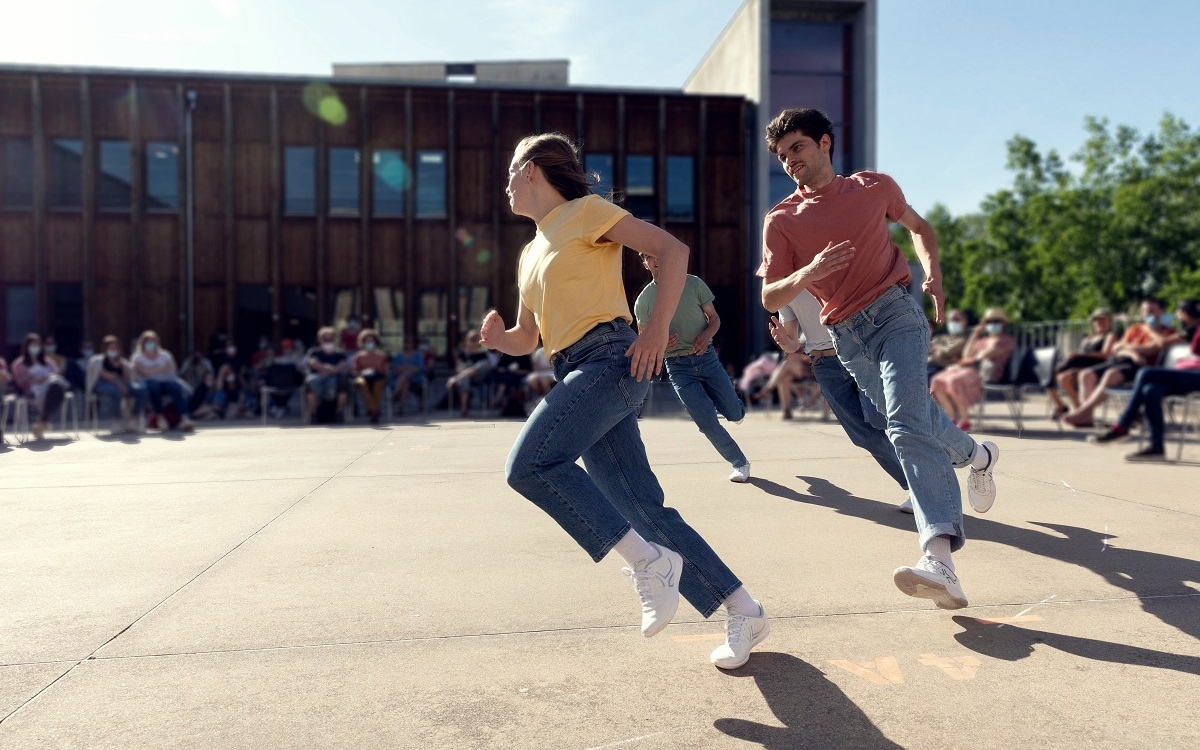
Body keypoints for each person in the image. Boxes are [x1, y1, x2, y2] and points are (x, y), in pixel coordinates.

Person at [481, 132, 768, 669]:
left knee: (530, 466)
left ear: (534, 170)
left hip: (612, 359)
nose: (506, 184)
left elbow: (672, 250)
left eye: (511, 170)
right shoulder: (529, 251)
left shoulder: (588, 212)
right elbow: (529, 335)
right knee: (642, 508)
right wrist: (502, 340)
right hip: (574, 368)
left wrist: (656, 329)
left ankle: (648, 564)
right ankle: (743, 609)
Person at [758, 107, 1000, 610]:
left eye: (797, 148)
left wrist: (932, 273)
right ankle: (979, 456)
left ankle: (940, 559)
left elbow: (920, 227)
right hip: (846, 337)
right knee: (918, 419)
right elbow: (771, 296)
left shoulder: (874, 187)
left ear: (825, 143)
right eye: (782, 156)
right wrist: (809, 272)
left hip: (896, 316)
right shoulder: (781, 220)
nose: (790, 162)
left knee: (905, 426)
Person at [770, 289, 914, 512]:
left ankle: (947, 453)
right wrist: (785, 343)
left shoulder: (830, 264)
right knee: (864, 436)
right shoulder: (786, 290)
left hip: (858, 353)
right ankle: (916, 488)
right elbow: (792, 343)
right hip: (823, 365)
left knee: (881, 418)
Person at [634, 255, 750, 482]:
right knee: (706, 422)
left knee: (735, 414)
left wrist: (706, 334)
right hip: (678, 368)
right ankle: (740, 463)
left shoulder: (693, 283)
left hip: (706, 358)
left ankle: (736, 410)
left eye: (658, 254)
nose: (655, 259)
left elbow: (714, 318)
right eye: (648, 256)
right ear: (645, 264)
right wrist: (660, 342)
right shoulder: (644, 300)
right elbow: (643, 338)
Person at [1088, 299, 1200, 461]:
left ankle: (1122, 425)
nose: (1176, 316)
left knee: (1146, 373)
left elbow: (1168, 344)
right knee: (1151, 390)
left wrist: (1149, 329)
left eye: (1179, 314)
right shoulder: (1190, 329)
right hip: (1191, 374)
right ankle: (1156, 448)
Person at [1063, 297, 1181, 428]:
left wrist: (1145, 333)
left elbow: (1151, 350)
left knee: (1111, 374)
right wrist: (1133, 352)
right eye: (1144, 311)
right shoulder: (1134, 329)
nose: (1147, 314)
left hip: (1144, 368)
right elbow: (1117, 348)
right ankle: (1087, 417)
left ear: (1161, 311)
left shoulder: (1168, 332)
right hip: (1124, 360)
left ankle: (1083, 412)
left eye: (1151, 310)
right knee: (1086, 374)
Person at [928, 308, 1016, 431]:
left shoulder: (1006, 340)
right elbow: (967, 355)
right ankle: (952, 417)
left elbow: (985, 355)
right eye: (989, 322)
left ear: (1003, 323)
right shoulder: (982, 340)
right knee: (937, 380)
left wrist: (965, 362)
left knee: (953, 380)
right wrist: (974, 335)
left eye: (996, 321)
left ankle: (965, 420)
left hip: (989, 373)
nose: (993, 324)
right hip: (973, 370)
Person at [1049, 308, 1116, 417]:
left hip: (1097, 367)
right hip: (1081, 366)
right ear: (1093, 323)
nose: (1100, 322)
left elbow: (1106, 354)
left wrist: (1079, 354)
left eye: (1104, 319)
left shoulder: (1110, 336)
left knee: (1060, 374)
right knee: (1060, 377)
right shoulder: (1088, 339)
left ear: (1109, 322)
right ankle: (1069, 406)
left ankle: (1076, 409)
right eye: (1097, 320)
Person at [131, 330, 196, 432]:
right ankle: (160, 417)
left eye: (153, 341)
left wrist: (151, 371)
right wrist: (160, 369)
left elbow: (172, 370)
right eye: (148, 341)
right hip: (149, 384)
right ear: (143, 343)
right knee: (153, 388)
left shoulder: (165, 355)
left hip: (167, 382)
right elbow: (142, 373)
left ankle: (185, 418)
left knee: (176, 388)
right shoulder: (137, 357)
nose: (151, 343)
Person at [11, 333, 71, 441]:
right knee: (55, 387)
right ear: (26, 346)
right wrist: (43, 380)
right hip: (32, 390)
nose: (35, 347)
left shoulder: (47, 361)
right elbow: (22, 384)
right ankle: (44, 421)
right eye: (33, 345)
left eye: (37, 345)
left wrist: (49, 378)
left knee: (56, 386)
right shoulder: (18, 364)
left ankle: (42, 420)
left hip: (52, 388)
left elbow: (57, 373)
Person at [90, 335, 149, 435]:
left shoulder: (123, 362)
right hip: (103, 385)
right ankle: (115, 421)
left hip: (123, 384)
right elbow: (107, 376)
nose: (114, 350)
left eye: (116, 348)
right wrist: (120, 385)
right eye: (111, 348)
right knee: (115, 392)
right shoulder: (98, 361)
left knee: (142, 390)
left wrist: (124, 366)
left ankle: (133, 418)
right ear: (105, 349)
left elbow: (126, 379)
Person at [305, 327, 350, 423]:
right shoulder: (314, 351)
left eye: (330, 339)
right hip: (317, 377)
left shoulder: (340, 353)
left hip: (335, 378)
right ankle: (314, 415)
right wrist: (327, 368)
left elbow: (341, 366)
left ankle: (337, 413)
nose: (328, 341)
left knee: (339, 383)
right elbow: (313, 363)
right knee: (310, 381)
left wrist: (326, 370)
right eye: (325, 339)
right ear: (320, 339)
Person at [445, 329, 492, 418]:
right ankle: (464, 410)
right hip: (465, 378)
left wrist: (459, 376)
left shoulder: (483, 355)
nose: (474, 343)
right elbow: (459, 368)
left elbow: (487, 367)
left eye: (476, 340)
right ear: (467, 341)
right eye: (472, 340)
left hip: (479, 378)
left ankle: (456, 379)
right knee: (465, 379)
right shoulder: (462, 355)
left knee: (481, 365)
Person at [352, 328, 389, 424]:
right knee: (362, 384)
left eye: (371, 340)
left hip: (378, 378)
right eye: (367, 341)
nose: (369, 342)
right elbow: (355, 370)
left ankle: (374, 411)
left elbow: (386, 371)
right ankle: (373, 410)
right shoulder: (358, 356)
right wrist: (362, 373)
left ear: (375, 341)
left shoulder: (381, 355)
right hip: (363, 378)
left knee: (377, 386)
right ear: (363, 342)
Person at [389, 338, 428, 416]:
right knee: (406, 381)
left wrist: (405, 368)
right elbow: (395, 369)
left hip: (416, 379)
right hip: (400, 380)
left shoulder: (418, 355)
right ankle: (401, 408)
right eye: (406, 343)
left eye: (410, 343)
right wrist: (408, 368)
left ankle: (394, 395)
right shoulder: (398, 356)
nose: (408, 345)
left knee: (406, 377)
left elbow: (419, 369)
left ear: (413, 344)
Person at [927, 309, 970, 377]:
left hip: (944, 371)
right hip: (928, 366)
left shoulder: (965, 340)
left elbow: (948, 351)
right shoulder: (941, 338)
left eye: (956, 319)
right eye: (950, 320)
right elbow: (927, 347)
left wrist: (936, 349)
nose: (953, 322)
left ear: (964, 321)